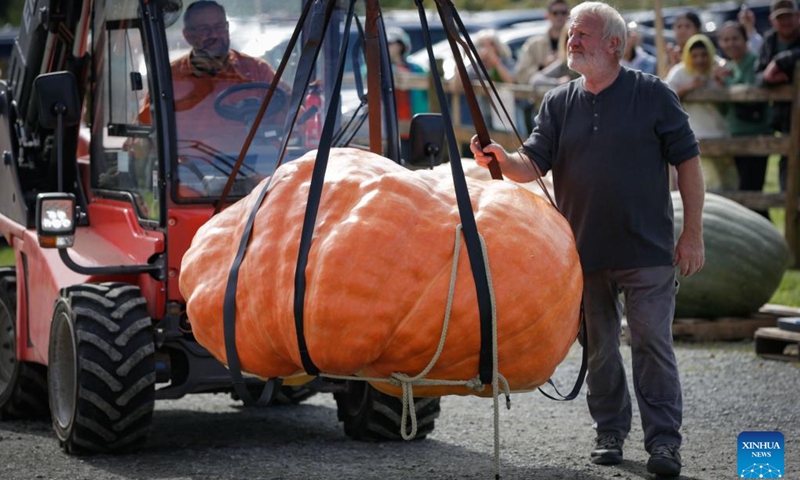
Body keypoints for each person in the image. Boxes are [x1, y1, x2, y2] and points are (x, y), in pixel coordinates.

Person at [469, 2, 705, 478]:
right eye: (571, 33)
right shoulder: (558, 101)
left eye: (583, 34)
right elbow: (532, 163)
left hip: (648, 252)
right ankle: (610, 435)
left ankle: (664, 444)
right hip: (585, 253)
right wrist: (499, 158)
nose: (572, 40)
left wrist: (693, 234)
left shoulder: (654, 95)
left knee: (651, 345)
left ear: (613, 45)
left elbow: (689, 163)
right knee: (599, 348)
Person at [139, 0, 292, 194]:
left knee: (281, 192)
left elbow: (292, 115)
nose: (214, 35)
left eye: (220, 27)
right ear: (188, 36)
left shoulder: (256, 71)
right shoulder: (170, 78)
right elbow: (147, 134)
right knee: (177, 192)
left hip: (252, 169)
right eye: (205, 29)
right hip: (192, 174)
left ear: (227, 29)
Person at [716, 21, 774, 218]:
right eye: (725, 39)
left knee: (751, 193)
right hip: (735, 135)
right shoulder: (729, 66)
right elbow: (724, 108)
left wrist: (726, 82)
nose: (730, 43)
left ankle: (768, 241)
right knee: (746, 194)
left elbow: (752, 93)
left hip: (755, 135)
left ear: (744, 39)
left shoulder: (754, 61)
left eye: (735, 38)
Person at [755, 0, 800, 192]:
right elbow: (758, 76)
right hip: (785, 119)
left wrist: (780, 61)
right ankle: (788, 207)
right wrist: (768, 79)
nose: (786, 22)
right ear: (772, 21)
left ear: (797, 17)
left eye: (789, 16)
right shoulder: (770, 40)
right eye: (781, 18)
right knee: (788, 164)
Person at [515, 0, 570, 131]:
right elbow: (521, 76)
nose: (560, 16)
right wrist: (542, 66)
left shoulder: (577, 40)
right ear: (548, 15)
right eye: (555, 13)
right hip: (542, 108)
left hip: (570, 108)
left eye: (563, 12)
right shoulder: (534, 44)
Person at [386, 26, 428, 161]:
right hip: (390, 122)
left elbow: (426, 82)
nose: (389, 46)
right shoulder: (380, 65)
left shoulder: (416, 68)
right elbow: (367, 73)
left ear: (400, 45)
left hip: (412, 119)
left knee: (413, 159)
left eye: (392, 43)